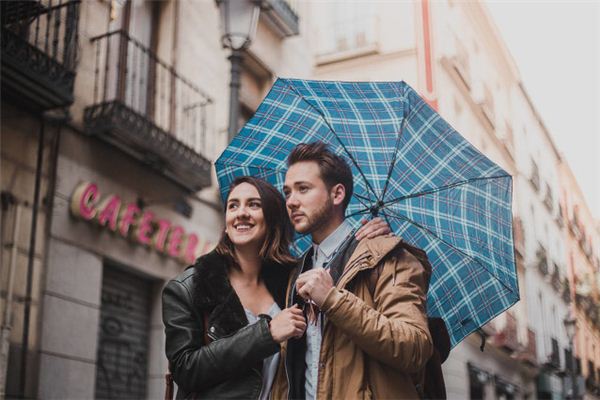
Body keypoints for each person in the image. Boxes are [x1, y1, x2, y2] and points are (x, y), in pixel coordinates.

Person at [162, 176, 389, 399]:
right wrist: (266, 334)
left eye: (254, 204)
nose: (241, 212)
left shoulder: (293, 283)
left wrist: (363, 239)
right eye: (233, 206)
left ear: (272, 218)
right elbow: (185, 369)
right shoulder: (188, 288)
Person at [272, 142, 433, 400]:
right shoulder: (297, 271)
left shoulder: (389, 258)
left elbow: (414, 347)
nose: (291, 201)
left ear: (337, 195)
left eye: (303, 189)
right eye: (288, 192)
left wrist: (333, 300)